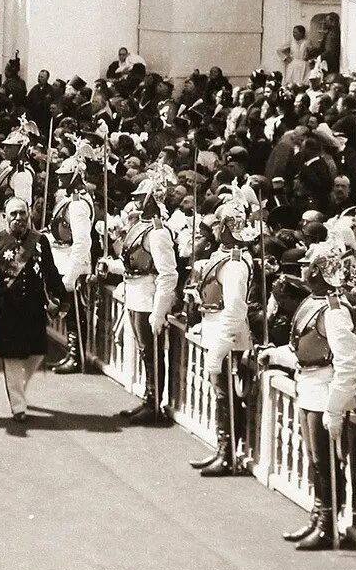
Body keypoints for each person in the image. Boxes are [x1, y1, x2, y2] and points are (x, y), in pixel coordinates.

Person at [260, 243, 356, 549]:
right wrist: (275, 356)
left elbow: (347, 363)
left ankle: (329, 524)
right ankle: (318, 517)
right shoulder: (311, 303)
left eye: (308, 266)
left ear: (317, 271)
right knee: (314, 459)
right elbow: (301, 352)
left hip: (324, 390)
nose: (304, 269)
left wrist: (334, 407)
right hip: (307, 384)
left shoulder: (335, 312)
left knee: (324, 461)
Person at [101, 168, 179, 425]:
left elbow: (167, 274)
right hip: (135, 292)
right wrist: (111, 265)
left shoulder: (158, 233)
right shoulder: (139, 227)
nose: (134, 200)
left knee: (151, 352)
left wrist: (159, 311)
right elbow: (134, 264)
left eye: (140, 196)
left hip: (149, 296)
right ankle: (148, 397)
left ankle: (154, 401)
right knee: (144, 350)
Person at [0, 197, 65, 422]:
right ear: (5, 216)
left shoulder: (39, 241)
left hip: (33, 308)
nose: (19, 218)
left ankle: (17, 388)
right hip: (6, 310)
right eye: (14, 214)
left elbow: (50, 271)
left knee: (36, 353)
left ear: (29, 215)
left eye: (23, 214)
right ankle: (18, 406)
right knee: (12, 357)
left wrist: (61, 298)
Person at [190, 198, 256, 477]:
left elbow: (235, 309)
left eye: (219, 223)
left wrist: (220, 347)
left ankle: (228, 454)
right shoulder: (224, 257)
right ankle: (221, 448)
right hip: (214, 326)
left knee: (225, 395)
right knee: (220, 394)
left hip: (228, 335)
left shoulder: (235, 264)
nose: (215, 228)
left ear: (228, 228)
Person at [46, 146, 96, 374]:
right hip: (62, 258)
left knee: (75, 314)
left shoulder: (78, 205)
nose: (59, 179)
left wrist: (72, 274)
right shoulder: (70, 200)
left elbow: (82, 242)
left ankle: (77, 358)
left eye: (64, 176)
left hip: (73, 263)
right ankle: (71, 353)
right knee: (68, 315)